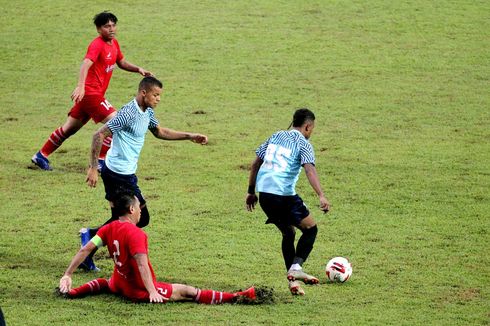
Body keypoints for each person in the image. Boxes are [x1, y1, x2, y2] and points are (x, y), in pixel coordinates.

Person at [80, 76, 208, 271]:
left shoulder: (147, 112)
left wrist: (189, 136)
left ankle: (92, 243)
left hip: (127, 173)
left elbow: (159, 131)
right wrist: (92, 168)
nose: (158, 99)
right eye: (155, 95)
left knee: (120, 220)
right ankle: (92, 240)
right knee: (139, 217)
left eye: (159, 96)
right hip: (117, 174)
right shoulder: (128, 113)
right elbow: (99, 134)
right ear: (143, 93)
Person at [58, 189, 263, 304]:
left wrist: (68, 273)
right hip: (136, 289)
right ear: (131, 209)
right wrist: (152, 291)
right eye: (139, 207)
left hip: (118, 282)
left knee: (106, 282)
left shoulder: (108, 228)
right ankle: (237, 297)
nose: (140, 211)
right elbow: (142, 265)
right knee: (187, 291)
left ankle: (72, 291)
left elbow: (86, 249)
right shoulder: (136, 233)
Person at [31, 11, 153, 171]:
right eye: (106, 26)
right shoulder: (97, 44)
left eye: (113, 25)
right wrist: (81, 86)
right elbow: (85, 64)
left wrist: (138, 69)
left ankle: (41, 155)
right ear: (98, 29)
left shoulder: (114, 43)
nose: (111, 29)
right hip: (90, 94)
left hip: (91, 96)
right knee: (118, 122)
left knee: (68, 129)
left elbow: (121, 62)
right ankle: (101, 162)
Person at [245, 108, 330, 296]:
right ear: (308, 126)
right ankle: (296, 267)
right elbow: (309, 170)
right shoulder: (304, 144)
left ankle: (293, 283)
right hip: (283, 196)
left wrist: (251, 192)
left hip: (265, 195)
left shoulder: (275, 136)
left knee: (288, 233)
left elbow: (255, 164)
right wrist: (321, 195)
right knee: (311, 229)